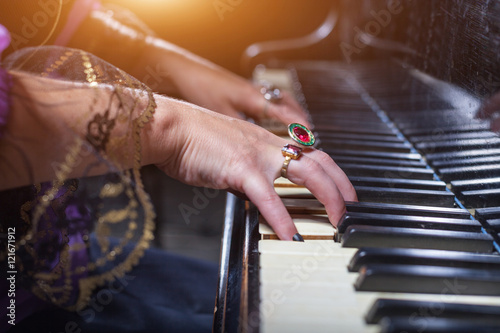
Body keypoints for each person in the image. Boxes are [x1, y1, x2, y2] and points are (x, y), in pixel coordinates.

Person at [0, 1, 357, 332]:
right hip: (17, 301)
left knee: (276, 297)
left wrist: (160, 56)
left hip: (63, 252)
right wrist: (175, 130)